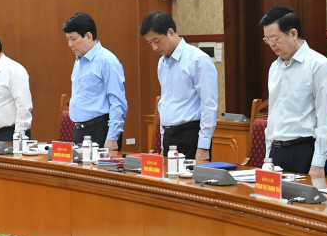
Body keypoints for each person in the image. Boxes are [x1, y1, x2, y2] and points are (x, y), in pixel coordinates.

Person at [260, 6, 327, 178]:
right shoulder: (274, 67)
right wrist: (268, 158)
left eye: (275, 38)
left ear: (293, 34)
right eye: (267, 40)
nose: (271, 45)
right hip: (276, 153)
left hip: (304, 153)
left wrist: (318, 163)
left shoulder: (318, 65)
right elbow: (273, 116)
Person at [140, 11, 218, 162]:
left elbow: (209, 105)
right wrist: (164, 141)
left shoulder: (198, 59)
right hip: (170, 137)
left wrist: (203, 146)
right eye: (150, 43)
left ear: (171, 32)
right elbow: (166, 103)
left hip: (191, 136)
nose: (154, 48)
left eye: (157, 41)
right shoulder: (162, 62)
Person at [63, 13, 128, 151]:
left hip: (100, 131)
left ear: (88, 36)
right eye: (67, 39)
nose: (70, 45)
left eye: (73, 39)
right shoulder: (79, 60)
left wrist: (112, 137)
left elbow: (118, 101)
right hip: (80, 131)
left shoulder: (107, 60)